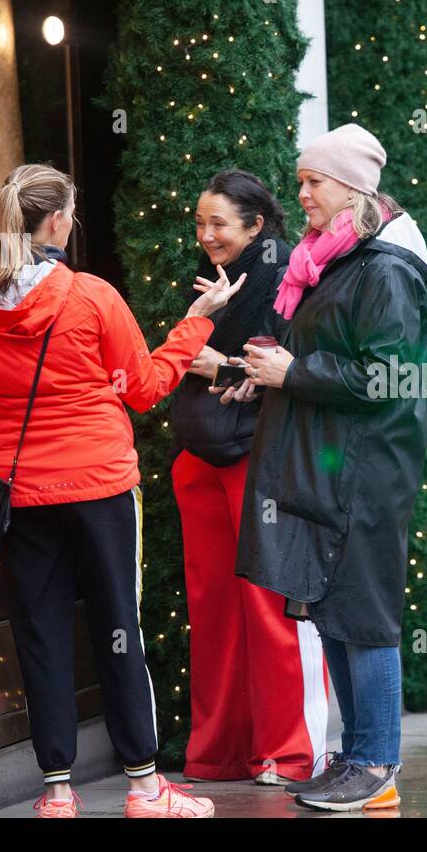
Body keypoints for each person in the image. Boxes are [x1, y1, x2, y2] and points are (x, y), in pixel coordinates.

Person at [0, 163, 244, 817]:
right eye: (70, 211)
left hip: (20, 494)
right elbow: (144, 389)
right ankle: (144, 787)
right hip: (100, 486)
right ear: (53, 222)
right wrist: (196, 321)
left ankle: (56, 793)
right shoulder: (91, 296)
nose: (72, 221)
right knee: (117, 628)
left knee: (39, 634)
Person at [218, 123, 427, 810]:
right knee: (334, 610)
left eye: (313, 182)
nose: (302, 193)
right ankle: (358, 759)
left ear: (350, 190)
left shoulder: (385, 269)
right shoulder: (333, 260)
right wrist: (266, 371)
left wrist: (297, 370)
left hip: (367, 474)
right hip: (331, 466)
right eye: (302, 180)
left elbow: (391, 376)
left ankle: (375, 764)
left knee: (363, 615)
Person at [168, 169, 330, 785]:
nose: (206, 234)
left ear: (256, 225)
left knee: (270, 604)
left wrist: (219, 365)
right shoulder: (214, 279)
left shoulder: (292, 274)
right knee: (212, 608)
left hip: (261, 459)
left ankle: (290, 755)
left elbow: (298, 369)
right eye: (201, 222)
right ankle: (219, 752)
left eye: (219, 224)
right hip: (200, 455)